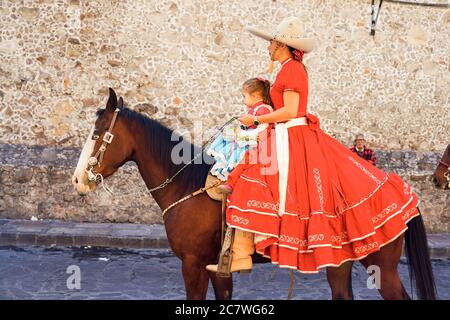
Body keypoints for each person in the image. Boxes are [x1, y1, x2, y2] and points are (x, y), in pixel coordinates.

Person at [206, 17, 420, 274]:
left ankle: (243, 253)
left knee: (255, 181)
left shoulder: (293, 69)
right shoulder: (285, 68)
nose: (269, 47)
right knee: (251, 175)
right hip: (284, 133)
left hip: (293, 135)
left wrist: (256, 118)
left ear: (282, 45)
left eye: (272, 42)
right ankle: (241, 251)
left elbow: (291, 110)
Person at [207, 78, 273, 181]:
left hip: (253, 144)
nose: (243, 100)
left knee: (234, 152)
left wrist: (240, 135)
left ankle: (228, 177)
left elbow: (262, 131)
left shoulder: (263, 109)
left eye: (244, 96)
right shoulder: (256, 109)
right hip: (247, 140)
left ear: (254, 96)